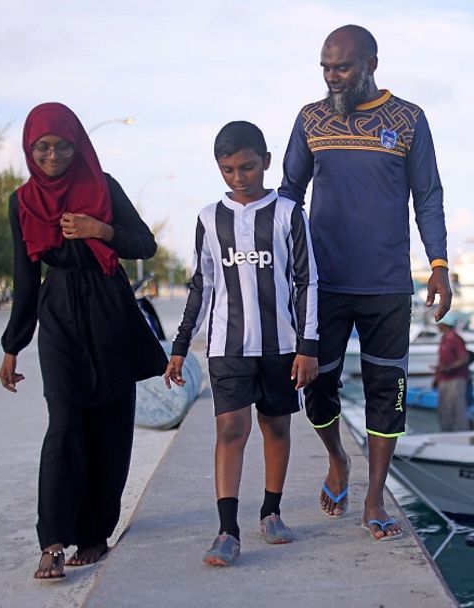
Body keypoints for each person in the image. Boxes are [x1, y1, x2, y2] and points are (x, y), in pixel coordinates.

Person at [279, 24, 452, 541]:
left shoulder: (409, 120)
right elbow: (290, 194)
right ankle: (337, 460)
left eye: (343, 68)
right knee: (316, 385)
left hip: (386, 285)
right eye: (326, 68)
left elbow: (428, 196)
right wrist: (277, 264)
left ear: (371, 62)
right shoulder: (311, 119)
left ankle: (375, 498)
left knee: (387, 390)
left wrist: (438, 264)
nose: (333, 77)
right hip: (323, 285)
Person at [0, 102, 167, 580]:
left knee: (110, 427)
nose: (53, 156)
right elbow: (25, 278)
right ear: (30, 150)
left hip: (109, 311)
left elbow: (144, 245)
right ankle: (51, 539)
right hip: (59, 319)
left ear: (78, 145)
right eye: (42, 148)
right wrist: (13, 346)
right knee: (64, 424)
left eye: (62, 146)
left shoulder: (103, 186)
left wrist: (101, 229)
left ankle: (94, 535)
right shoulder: (22, 202)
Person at [165, 121, 319, 567]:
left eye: (247, 167)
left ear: (266, 162)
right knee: (230, 429)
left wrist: (308, 346)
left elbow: (308, 280)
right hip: (227, 347)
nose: (239, 177)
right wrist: (179, 345)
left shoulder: (290, 214)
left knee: (276, 426)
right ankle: (227, 531)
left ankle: (271, 512)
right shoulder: (209, 218)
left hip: (281, 345)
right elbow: (202, 283)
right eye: (228, 169)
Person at [433, 312, 470, 432]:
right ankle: (446, 433)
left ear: (445, 325)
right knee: (444, 409)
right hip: (444, 379)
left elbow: (464, 358)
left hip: (456, 379)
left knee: (457, 409)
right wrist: (436, 378)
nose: (437, 327)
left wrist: (450, 367)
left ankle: (460, 435)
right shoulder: (444, 339)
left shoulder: (456, 339)